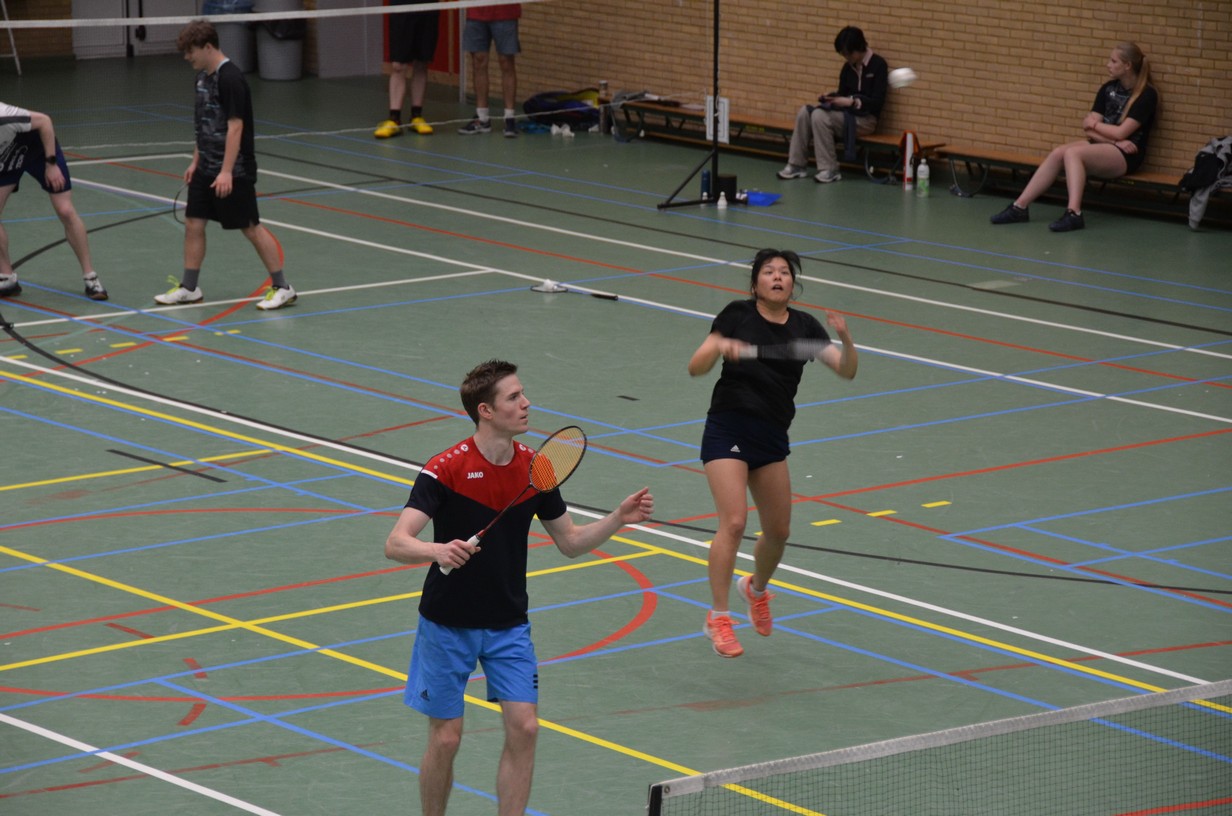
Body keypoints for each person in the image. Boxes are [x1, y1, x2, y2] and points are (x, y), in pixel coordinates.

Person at [384, 359, 654, 815]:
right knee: (446, 738)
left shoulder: (537, 469)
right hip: (447, 623)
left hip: (507, 623)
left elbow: (570, 541)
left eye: (522, 394)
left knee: (525, 727)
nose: (526, 403)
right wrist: (437, 550)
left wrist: (617, 518)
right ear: (486, 411)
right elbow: (396, 542)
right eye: (514, 397)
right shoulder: (445, 469)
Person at [687, 250, 857, 658]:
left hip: (771, 436)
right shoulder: (737, 316)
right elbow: (696, 366)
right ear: (755, 284)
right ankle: (719, 618)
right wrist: (720, 346)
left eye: (784, 272)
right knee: (733, 522)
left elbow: (846, 369)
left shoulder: (804, 327)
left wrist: (847, 339)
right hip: (728, 427)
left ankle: (755, 589)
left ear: (792, 285)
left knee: (779, 532)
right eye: (769, 272)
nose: (778, 277)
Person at [156, 20, 296, 310]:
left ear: (208, 47)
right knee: (193, 223)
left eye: (191, 51)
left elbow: (235, 127)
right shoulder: (201, 78)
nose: (187, 57)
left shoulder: (231, 78)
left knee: (251, 227)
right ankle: (190, 288)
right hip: (206, 168)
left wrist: (226, 172)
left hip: (235, 170)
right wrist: (195, 161)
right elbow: (205, 125)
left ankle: (283, 287)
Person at [990, 42, 1158, 233]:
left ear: (1127, 65)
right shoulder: (1108, 88)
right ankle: (1019, 207)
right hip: (1108, 144)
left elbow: (1119, 132)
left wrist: (1096, 126)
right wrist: (1110, 138)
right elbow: (1088, 130)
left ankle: (1074, 213)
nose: (1108, 65)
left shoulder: (1146, 95)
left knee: (1073, 154)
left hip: (1127, 154)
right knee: (1058, 153)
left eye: (1113, 61)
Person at [0, 102, 107, 301]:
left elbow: (45, 121)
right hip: (7, 156)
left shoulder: (4, 115)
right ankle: (7, 278)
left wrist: (51, 164)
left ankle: (90, 277)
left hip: (38, 149)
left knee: (65, 210)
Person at [777, 26, 887, 184]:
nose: (846, 57)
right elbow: (843, 93)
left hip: (866, 120)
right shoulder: (847, 68)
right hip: (845, 115)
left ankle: (830, 169)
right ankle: (796, 165)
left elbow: (877, 103)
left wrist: (853, 102)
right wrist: (832, 97)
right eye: (843, 54)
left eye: (848, 53)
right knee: (805, 112)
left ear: (858, 48)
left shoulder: (879, 65)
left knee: (819, 116)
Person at [373, 0, 439, 138]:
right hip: (402, 7)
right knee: (398, 65)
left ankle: (416, 116)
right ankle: (394, 119)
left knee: (421, 62)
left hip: (428, 7)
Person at [457, 3, 522, 139]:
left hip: (505, 12)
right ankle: (482, 118)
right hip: (476, 12)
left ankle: (509, 118)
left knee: (506, 62)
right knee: (478, 61)